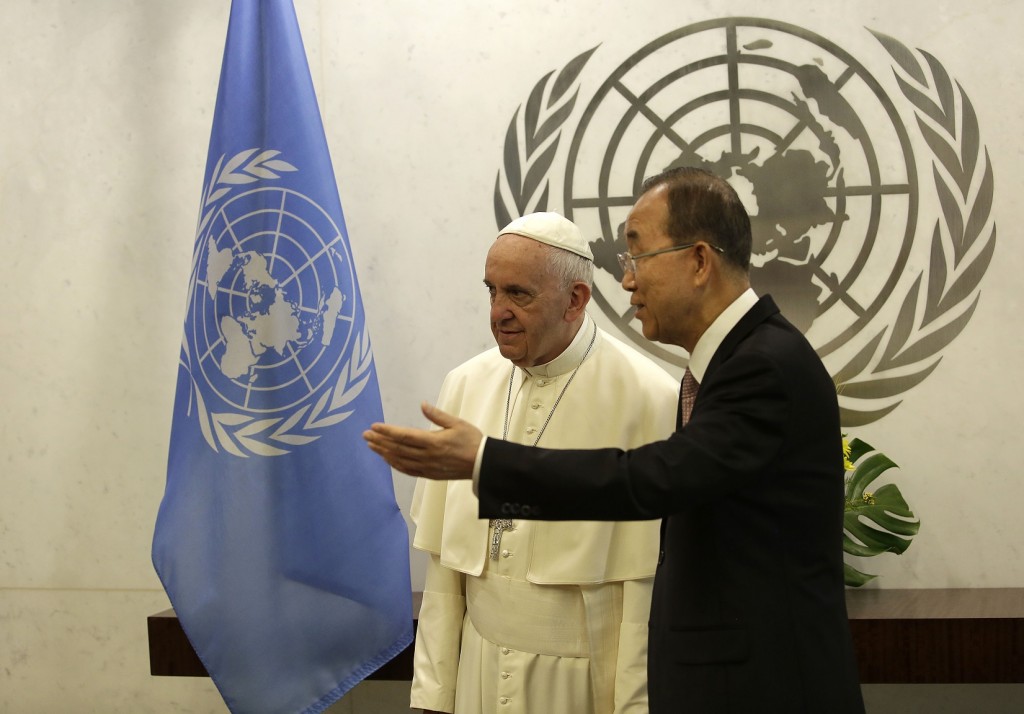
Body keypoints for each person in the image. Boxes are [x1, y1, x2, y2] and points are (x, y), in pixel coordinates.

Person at [365, 167, 865, 713]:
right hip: (485, 675)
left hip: (743, 689)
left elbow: (646, 485)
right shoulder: (735, 364)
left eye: (638, 256)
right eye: (492, 291)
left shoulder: (751, 369)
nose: (626, 281)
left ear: (698, 261)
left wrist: (486, 461)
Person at [408, 212, 680, 714]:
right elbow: (445, 571)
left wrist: (634, 706)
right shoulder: (464, 385)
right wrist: (432, 695)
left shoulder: (650, 398)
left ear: (576, 299)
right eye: (491, 291)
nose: (497, 312)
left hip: (579, 684)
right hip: (479, 674)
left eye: (518, 294)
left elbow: (642, 590)